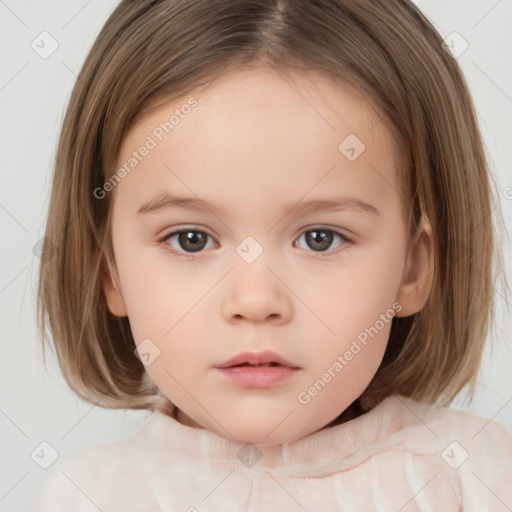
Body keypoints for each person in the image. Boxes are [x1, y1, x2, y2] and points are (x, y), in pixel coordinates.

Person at [35, 0, 512, 510]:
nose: (256, 300)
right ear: (110, 271)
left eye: (320, 238)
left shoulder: (475, 476)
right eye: (190, 239)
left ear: (412, 268)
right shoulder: (94, 496)